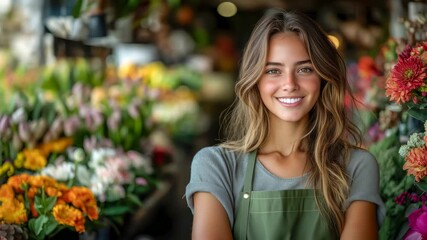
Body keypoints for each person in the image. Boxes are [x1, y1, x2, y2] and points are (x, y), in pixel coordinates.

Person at [185, 8, 386, 240]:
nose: (289, 84)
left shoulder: (356, 167)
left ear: (322, 78)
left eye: (304, 69)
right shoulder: (217, 165)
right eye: (273, 71)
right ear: (255, 81)